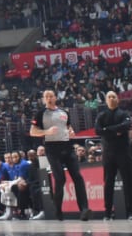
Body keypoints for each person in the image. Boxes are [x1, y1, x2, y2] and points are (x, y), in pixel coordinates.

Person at [32, 89, 89, 221]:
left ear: (55, 97)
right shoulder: (40, 113)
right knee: (60, 179)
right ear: (43, 99)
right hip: (52, 149)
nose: (49, 98)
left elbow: (68, 127)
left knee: (78, 177)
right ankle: (58, 208)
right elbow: (33, 131)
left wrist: (71, 132)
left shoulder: (64, 112)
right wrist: (47, 131)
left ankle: (84, 209)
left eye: (51, 96)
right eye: (46, 96)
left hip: (67, 147)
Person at [94, 90, 132, 220]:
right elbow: (98, 130)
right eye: (109, 97)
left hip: (123, 152)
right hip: (108, 154)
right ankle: (107, 213)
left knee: (128, 182)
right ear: (106, 100)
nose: (111, 98)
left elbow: (126, 125)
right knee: (108, 183)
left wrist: (108, 130)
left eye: (114, 96)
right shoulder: (102, 115)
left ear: (117, 99)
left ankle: (131, 212)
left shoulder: (124, 113)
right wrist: (115, 131)